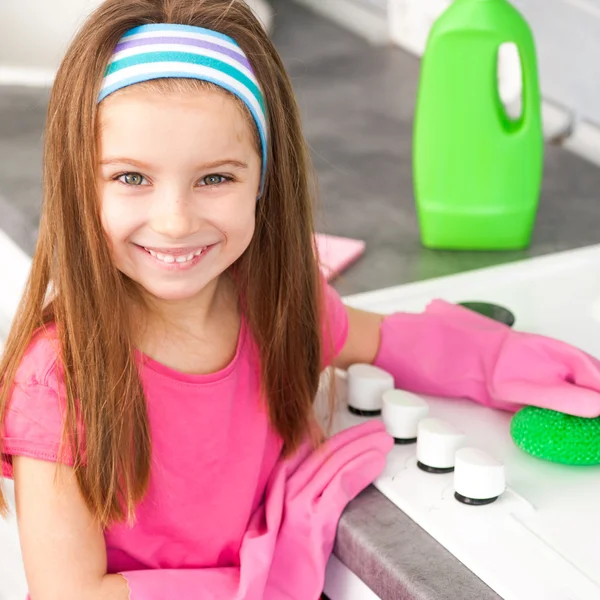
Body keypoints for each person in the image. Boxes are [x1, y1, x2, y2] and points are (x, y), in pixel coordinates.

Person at [2, 1, 600, 599]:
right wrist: (269, 578)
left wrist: (500, 362)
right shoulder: (57, 384)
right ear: (81, 181)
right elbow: (71, 594)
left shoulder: (275, 308)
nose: (176, 220)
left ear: (264, 182)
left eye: (216, 178)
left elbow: (388, 340)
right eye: (132, 177)